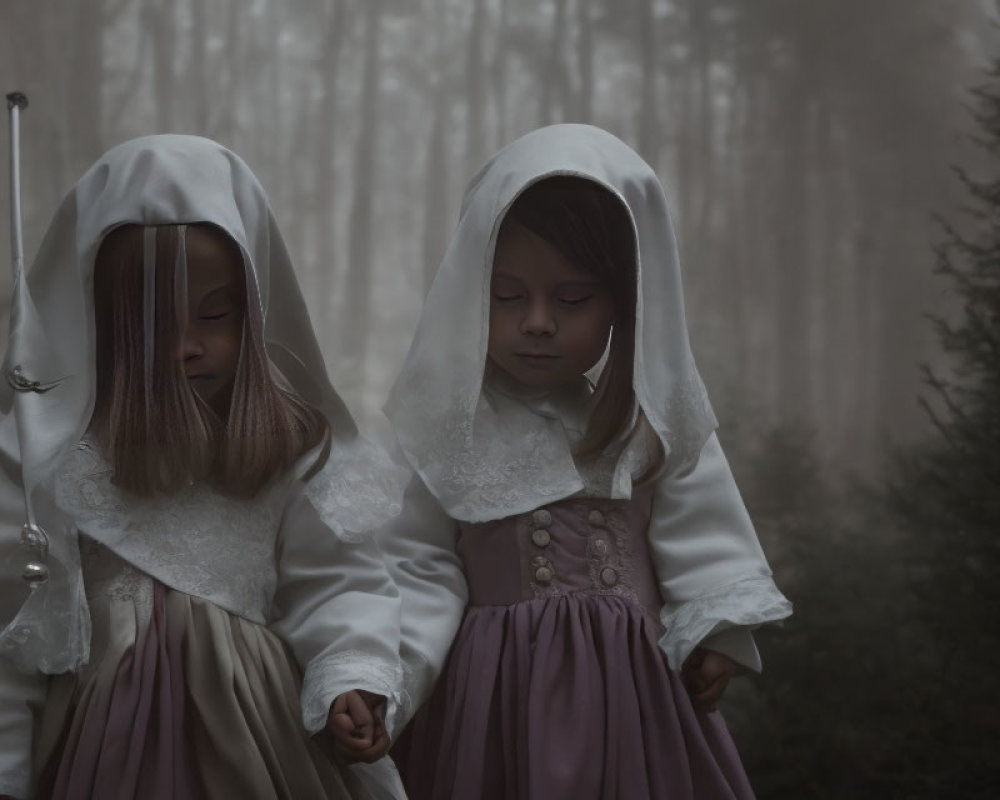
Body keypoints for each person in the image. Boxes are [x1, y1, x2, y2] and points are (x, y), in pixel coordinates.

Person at [382, 124, 793, 799]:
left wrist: (713, 628)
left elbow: (705, 534)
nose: (537, 321)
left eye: (570, 299)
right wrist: (391, 676)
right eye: (508, 296)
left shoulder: (648, 425)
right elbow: (415, 569)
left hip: (635, 706)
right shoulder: (444, 436)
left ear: (622, 302)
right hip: (490, 710)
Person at [0, 135, 408, 799]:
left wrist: (348, 677)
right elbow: (11, 637)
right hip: (105, 759)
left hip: (259, 747)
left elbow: (335, 581)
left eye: (215, 314)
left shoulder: (283, 445)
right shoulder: (45, 459)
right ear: (98, 319)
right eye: (152, 324)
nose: (188, 347)